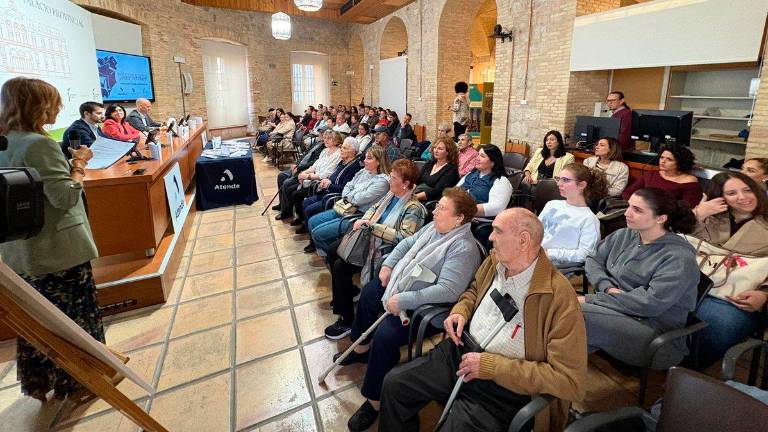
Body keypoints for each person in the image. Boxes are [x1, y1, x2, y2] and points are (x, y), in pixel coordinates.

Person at [379, 208, 587, 432]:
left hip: (503, 387)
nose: (489, 237)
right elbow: (474, 290)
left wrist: (492, 366)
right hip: (460, 352)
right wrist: (461, 310)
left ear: (523, 240)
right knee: (395, 385)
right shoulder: (495, 261)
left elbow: (569, 382)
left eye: (497, 231)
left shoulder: (558, 297)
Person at [0, 77, 119, 402]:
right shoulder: (39, 144)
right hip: (58, 249)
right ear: (38, 105)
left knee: (41, 321)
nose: (58, 107)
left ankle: (41, 381)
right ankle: (81, 383)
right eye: (53, 102)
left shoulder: (6, 141)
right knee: (72, 319)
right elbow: (64, 197)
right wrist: (78, 164)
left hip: (22, 252)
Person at [340, 188, 482, 431]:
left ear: (459, 219)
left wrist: (403, 299)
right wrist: (389, 264)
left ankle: (374, 401)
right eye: (437, 207)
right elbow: (407, 243)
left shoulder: (463, 248)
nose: (435, 211)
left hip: (430, 308)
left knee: (386, 335)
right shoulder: (434, 228)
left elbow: (447, 291)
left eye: (442, 208)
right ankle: (361, 346)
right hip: (404, 286)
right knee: (370, 293)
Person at [579, 188, 700, 369]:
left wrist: (590, 299)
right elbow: (593, 259)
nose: (627, 213)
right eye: (629, 206)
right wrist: (606, 287)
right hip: (618, 311)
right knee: (560, 316)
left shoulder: (679, 258)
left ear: (661, 218)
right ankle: (546, 376)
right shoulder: (626, 234)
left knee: (571, 312)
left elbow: (649, 304)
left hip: (656, 333)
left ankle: (546, 380)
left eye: (638, 210)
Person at [324, 159, 426, 339]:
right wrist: (366, 221)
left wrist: (372, 227)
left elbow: (405, 238)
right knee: (333, 251)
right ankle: (347, 294)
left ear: (406, 184)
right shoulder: (390, 195)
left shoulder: (414, 208)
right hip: (369, 242)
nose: (389, 180)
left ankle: (347, 319)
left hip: (386, 253)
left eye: (393, 178)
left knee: (340, 267)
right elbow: (373, 208)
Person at [690, 172, 768, 367]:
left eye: (748, 190)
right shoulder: (709, 216)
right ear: (721, 197)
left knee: (719, 323)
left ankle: (688, 370)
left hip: (735, 295)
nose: (743, 197)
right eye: (732, 193)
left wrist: (764, 294)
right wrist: (697, 214)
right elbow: (672, 240)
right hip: (693, 284)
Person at [306, 145, 391, 254]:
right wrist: (351, 194)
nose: (364, 161)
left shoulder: (382, 182)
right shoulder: (363, 171)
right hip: (346, 207)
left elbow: (358, 199)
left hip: (359, 215)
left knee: (317, 234)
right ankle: (331, 251)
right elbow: (347, 186)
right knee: (312, 221)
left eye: (369, 158)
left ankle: (332, 255)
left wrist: (350, 194)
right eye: (365, 157)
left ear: (379, 161)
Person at [539, 163, 607, 265]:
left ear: (582, 185)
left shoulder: (588, 219)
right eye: (559, 179)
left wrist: (550, 253)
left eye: (565, 180)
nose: (558, 184)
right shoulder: (552, 204)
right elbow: (535, 229)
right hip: (532, 255)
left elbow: (586, 254)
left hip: (553, 266)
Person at [294, 136, 362, 232]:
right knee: (305, 202)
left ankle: (313, 237)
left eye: (345, 148)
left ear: (353, 152)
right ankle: (307, 226)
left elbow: (344, 189)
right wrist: (326, 180)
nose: (341, 150)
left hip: (335, 198)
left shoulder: (354, 167)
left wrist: (329, 184)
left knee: (309, 209)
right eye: (342, 147)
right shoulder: (342, 162)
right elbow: (332, 176)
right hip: (326, 192)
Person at [276, 130, 342, 220]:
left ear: (336, 140)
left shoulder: (338, 154)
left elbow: (326, 174)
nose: (326, 140)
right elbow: (314, 166)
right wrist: (304, 173)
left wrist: (307, 176)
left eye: (329, 138)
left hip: (318, 181)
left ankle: (300, 218)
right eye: (325, 138)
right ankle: (289, 212)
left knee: (294, 192)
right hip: (312, 176)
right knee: (288, 186)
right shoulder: (325, 151)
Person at [622, 144, 701, 208]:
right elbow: (628, 193)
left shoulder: (689, 181)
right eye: (662, 157)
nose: (663, 161)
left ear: (680, 163)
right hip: (641, 212)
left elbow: (688, 207)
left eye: (669, 159)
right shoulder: (651, 174)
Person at [456, 144, 512, 218]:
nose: (477, 158)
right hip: (457, 215)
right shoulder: (471, 173)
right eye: (478, 155)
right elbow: (454, 190)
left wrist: (463, 210)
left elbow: (496, 207)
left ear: (493, 162)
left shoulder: (501, 181)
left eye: (482, 156)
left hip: (476, 221)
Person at [413, 137, 460, 202]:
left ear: (448, 152)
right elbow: (417, 180)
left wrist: (413, 198)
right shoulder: (430, 163)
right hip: (418, 194)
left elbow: (437, 191)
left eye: (440, 149)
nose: (436, 151)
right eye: (435, 148)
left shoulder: (451, 170)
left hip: (432, 201)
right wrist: (408, 193)